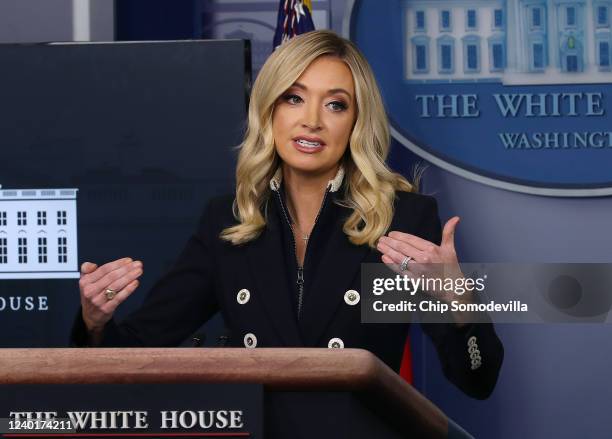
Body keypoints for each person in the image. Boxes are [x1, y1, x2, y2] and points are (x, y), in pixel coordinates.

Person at [73, 30, 503, 399]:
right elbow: (138, 348)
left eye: (336, 104)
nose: (311, 120)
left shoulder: (401, 218)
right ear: (270, 110)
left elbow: (477, 380)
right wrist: (95, 323)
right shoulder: (229, 221)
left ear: (356, 121)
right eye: (294, 98)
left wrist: (458, 297)